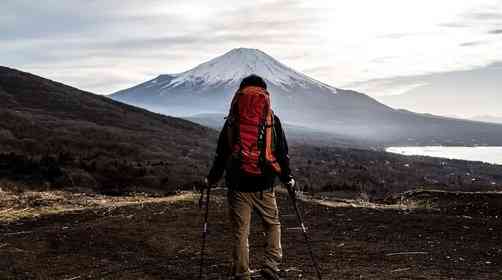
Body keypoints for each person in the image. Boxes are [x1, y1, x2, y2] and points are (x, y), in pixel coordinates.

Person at [205, 74, 295, 280]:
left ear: (239, 93)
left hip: (238, 186)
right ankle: (271, 265)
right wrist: (288, 178)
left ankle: (242, 273)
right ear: (265, 93)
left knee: (240, 231)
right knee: (272, 224)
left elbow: (222, 154)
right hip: (264, 185)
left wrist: (211, 179)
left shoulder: (233, 120)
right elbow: (281, 153)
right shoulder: (272, 119)